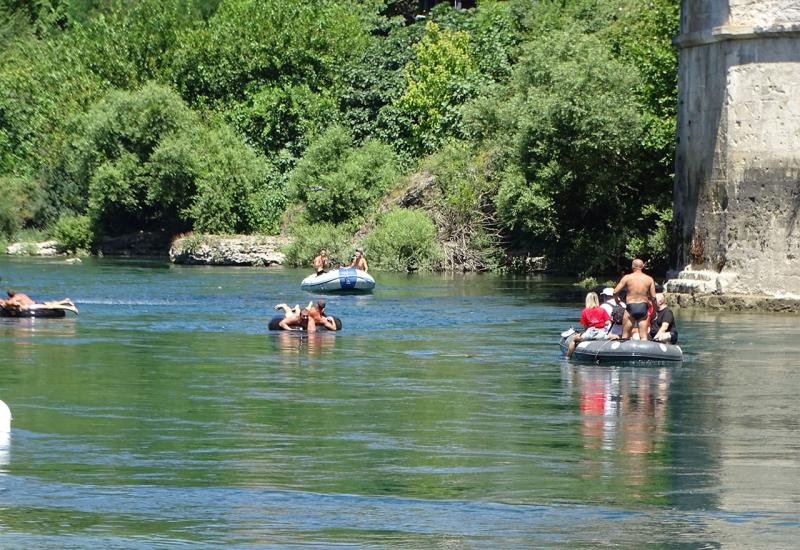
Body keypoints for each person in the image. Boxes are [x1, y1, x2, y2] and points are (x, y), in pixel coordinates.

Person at [613, 259, 657, 341]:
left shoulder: (627, 277)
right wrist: (654, 311)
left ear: (632, 266)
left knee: (625, 336)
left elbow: (615, 292)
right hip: (643, 307)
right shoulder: (649, 279)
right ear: (642, 266)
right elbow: (654, 298)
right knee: (643, 337)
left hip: (630, 306)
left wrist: (617, 300)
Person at [566, 292, 611, 358]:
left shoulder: (585, 311)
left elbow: (585, 326)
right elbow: (607, 322)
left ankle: (568, 357)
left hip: (589, 333)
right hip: (601, 333)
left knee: (573, 339)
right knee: (612, 336)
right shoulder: (602, 310)